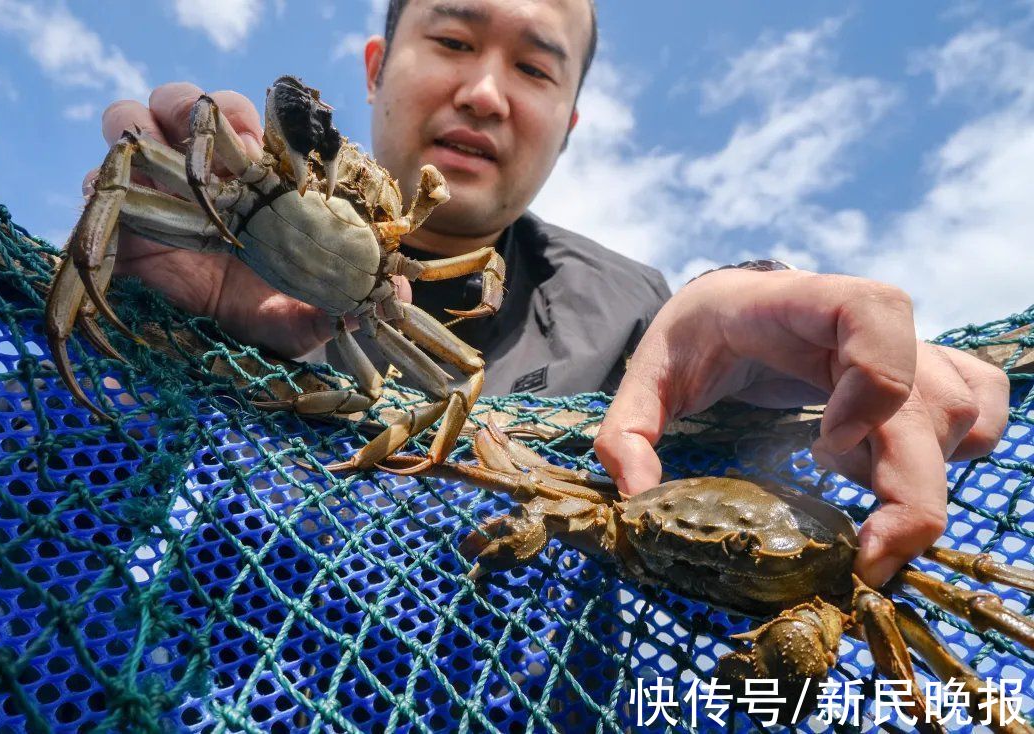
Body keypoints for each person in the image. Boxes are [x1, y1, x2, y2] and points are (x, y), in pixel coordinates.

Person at [93, 0, 1009, 588]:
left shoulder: (632, 316)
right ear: (375, 66)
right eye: (451, 40)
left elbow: (718, 546)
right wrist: (120, 356)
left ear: (568, 124)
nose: (486, 93)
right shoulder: (206, 208)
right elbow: (48, 555)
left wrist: (795, 348)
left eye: (534, 68)